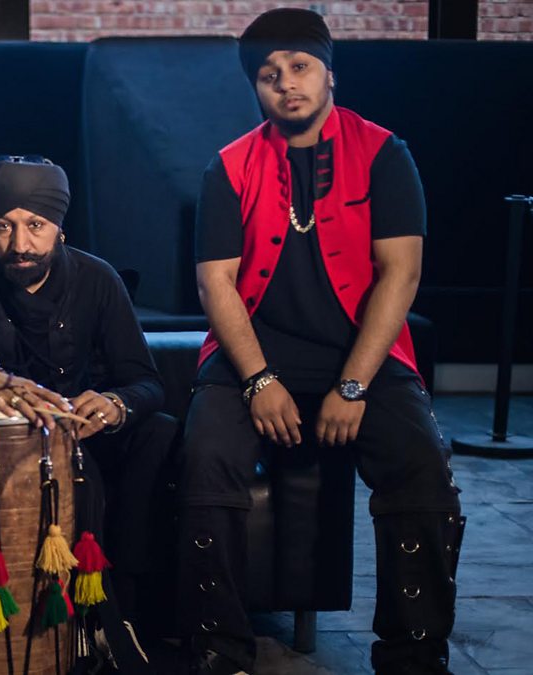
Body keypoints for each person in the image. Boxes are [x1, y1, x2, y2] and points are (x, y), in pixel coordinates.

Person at [177, 8, 464, 674]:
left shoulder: (385, 153)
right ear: (257, 89)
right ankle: (220, 653)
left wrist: (354, 384)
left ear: (329, 72)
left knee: (423, 466)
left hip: (361, 356)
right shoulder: (229, 165)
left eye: (299, 67)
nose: (286, 84)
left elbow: (403, 272)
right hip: (251, 356)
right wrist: (257, 379)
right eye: (269, 75)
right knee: (204, 459)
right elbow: (215, 285)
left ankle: (413, 659)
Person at [0, 156, 174, 657]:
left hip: (84, 433)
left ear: (59, 228)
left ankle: (126, 604)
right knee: (76, 464)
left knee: (159, 432)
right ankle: (85, 624)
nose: (20, 244)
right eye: (4, 227)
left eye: (35, 226)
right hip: (4, 453)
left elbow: (147, 383)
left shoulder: (98, 279)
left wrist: (115, 404)